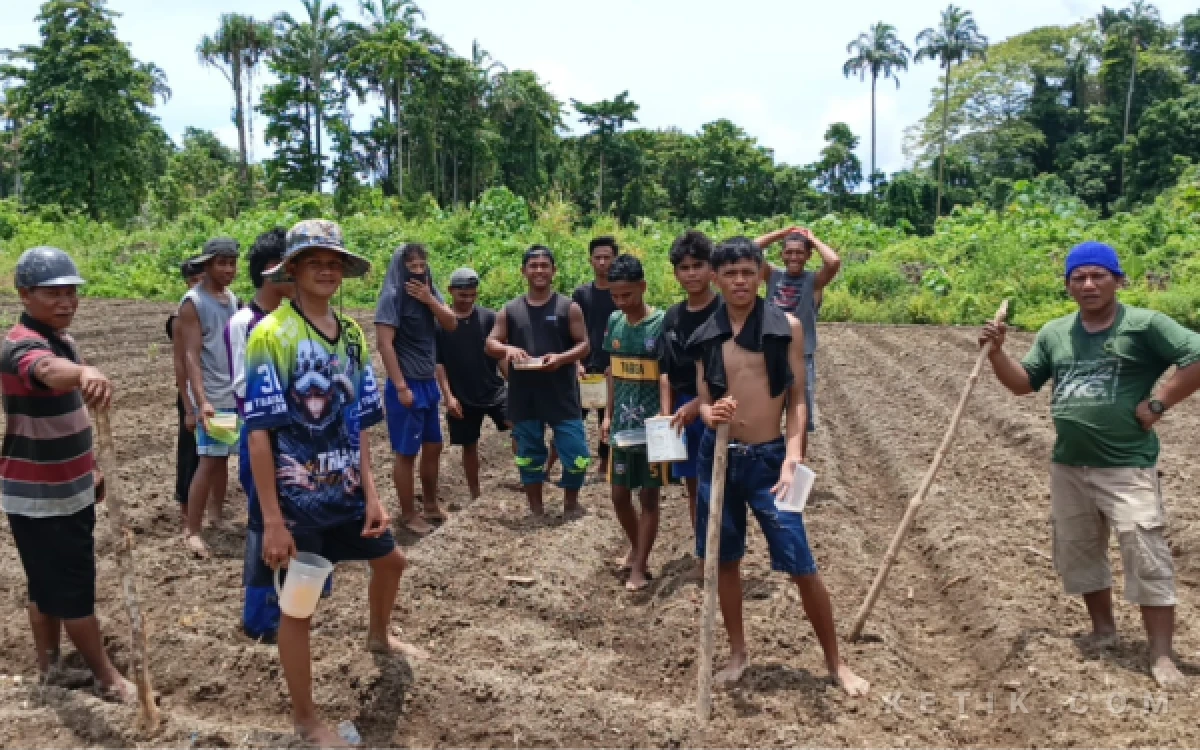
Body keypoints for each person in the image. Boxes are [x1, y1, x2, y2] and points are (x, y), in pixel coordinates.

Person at [979, 241, 1200, 690]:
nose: (1089, 284)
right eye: (1078, 277)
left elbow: (1196, 356)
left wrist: (1159, 402)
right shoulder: (1056, 332)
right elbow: (1025, 385)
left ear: (1118, 280)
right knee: (1079, 549)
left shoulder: (1144, 325)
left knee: (1145, 550)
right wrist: (998, 353)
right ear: (1068, 285)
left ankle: (1161, 654)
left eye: (1099, 275)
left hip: (1127, 466)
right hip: (1069, 466)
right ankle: (1103, 630)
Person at [245, 220, 417, 748]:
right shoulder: (271, 335)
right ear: (291, 270)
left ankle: (380, 636)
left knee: (391, 560)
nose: (326, 269)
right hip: (296, 502)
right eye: (314, 260)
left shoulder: (354, 335)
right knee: (299, 606)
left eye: (334, 261)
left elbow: (357, 425)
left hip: (344, 492)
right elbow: (258, 435)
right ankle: (305, 719)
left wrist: (372, 493)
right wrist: (272, 521)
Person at [688, 236, 869, 697]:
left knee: (801, 562)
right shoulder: (707, 333)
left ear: (759, 272)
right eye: (730, 274)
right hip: (720, 459)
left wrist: (794, 459)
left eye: (748, 272)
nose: (740, 281)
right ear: (717, 278)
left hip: (770, 462)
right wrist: (712, 416)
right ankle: (737, 653)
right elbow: (704, 404)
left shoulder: (785, 327)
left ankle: (835, 663)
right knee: (724, 560)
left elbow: (797, 402)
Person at [2, 246, 135, 702]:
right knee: (74, 589)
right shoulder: (20, 343)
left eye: (71, 293)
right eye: (53, 293)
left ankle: (51, 668)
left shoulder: (65, 340)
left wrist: (91, 469)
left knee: (45, 582)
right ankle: (106, 676)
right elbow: (44, 371)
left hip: (67, 486)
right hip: (41, 494)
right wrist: (82, 373)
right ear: (25, 294)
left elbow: (71, 413)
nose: (66, 302)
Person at [225, 228, 295, 642]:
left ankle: (292, 604)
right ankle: (261, 617)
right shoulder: (246, 322)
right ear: (273, 272)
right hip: (262, 436)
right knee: (262, 521)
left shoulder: (290, 319)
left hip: (292, 439)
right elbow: (242, 388)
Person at [485, 246, 591, 517]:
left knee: (576, 453)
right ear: (524, 272)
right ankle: (536, 508)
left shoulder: (569, 307)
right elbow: (490, 343)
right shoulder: (510, 310)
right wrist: (507, 350)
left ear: (554, 271)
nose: (539, 270)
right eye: (533, 266)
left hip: (562, 394)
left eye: (545, 265)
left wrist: (562, 358)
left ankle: (570, 502)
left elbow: (584, 346)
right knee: (528, 454)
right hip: (525, 396)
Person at [375, 243, 457, 534]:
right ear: (401, 268)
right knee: (406, 453)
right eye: (413, 267)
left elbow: (450, 323)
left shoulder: (430, 292)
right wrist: (399, 387)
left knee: (434, 445)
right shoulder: (392, 297)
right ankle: (408, 514)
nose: (419, 272)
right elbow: (384, 344)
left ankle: (431, 505)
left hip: (428, 382)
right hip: (406, 384)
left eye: (423, 266)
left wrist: (430, 300)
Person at [602, 255, 670, 591]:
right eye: (616, 295)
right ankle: (636, 547)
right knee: (617, 495)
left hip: (652, 427)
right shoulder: (614, 321)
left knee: (648, 497)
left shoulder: (660, 324)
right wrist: (605, 414)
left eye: (627, 294)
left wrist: (666, 419)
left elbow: (668, 377)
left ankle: (640, 566)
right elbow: (612, 372)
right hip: (620, 425)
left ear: (642, 287)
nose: (622, 302)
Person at [177, 237, 241, 558]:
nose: (228, 269)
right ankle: (192, 529)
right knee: (210, 460)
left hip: (233, 392)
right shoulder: (193, 302)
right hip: (213, 396)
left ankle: (217, 516)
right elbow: (191, 356)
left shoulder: (231, 299)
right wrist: (200, 401)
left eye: (232, 263)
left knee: (224, 459)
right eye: (221, 263)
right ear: (207, 264)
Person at [753, 226, 841, 455]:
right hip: (769, 354)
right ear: (782, 254)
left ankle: (796, 468)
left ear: (808, 255)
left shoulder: (813, 281)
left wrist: (812, 237)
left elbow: (833, 262)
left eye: (800, 252)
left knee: (799, 416)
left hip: (801, 358)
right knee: (763, 413)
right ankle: (769, 465)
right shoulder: (772, 275)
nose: (794, 257)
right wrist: (781, 233)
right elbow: (750, 248)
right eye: (789, 252)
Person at [662, 231, 721, 541]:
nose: (691, 273)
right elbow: (666, 373)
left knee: (723, 484)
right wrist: (665, 414)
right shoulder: (672, 317)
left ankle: (723, 553)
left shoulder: (726, 313)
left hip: (723, 406)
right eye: (684, 268)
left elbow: (738, 373)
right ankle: (704, 548)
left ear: (711, 269)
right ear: (676, 273)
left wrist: (699, 406)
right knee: (695, 487)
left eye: (698, 265)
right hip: (683, 408)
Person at [434, 267, 510, 501]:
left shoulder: (488, 318)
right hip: (462, 395)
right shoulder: (441, 324)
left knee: (518, 426)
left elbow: (500, 355)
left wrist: (514, 384)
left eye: (472, 295)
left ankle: (525, 478)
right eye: (462, 295)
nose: (467, 300)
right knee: (469, 445)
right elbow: (439, 364)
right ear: (450, 292)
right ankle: (475, 494)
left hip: (493, 389)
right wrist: (448, 397)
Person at [572, 236, 618, 477]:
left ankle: (604, 463)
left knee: (607, 419)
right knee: (571, 418)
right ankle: (561, 462)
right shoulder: (581, 294)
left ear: (615, 259)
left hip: (612, 368)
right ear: (590, 260)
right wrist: (577, 362)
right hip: (585, 367)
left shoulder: (621, 293)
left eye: (607, 257)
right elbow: (572, 331)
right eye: (597, 257)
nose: (602, 262)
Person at [168, 258, 204, 509]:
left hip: (217, 391)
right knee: (190, 453)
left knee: (214, 455)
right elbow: (181, 364)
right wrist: (189, 406)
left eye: (202, 279)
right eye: (193, 281)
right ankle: (186, 508)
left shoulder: (225, 306)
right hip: (192, 393)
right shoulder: (181, 317)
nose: (198, 285)